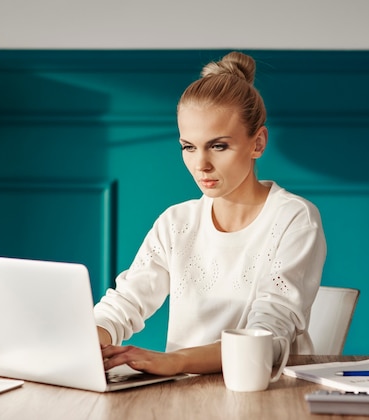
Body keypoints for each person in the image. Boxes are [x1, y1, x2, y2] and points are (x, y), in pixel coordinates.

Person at [94, 51, 326, 377]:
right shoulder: (176, 223)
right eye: (188, 147)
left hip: (262, 392)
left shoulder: (294, 218)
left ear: (257, 143)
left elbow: (267, 338)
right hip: (181, 395)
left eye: (218, 146)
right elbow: (125, 303)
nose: (201, 164)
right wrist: (91, 337)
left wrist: (174, 361)